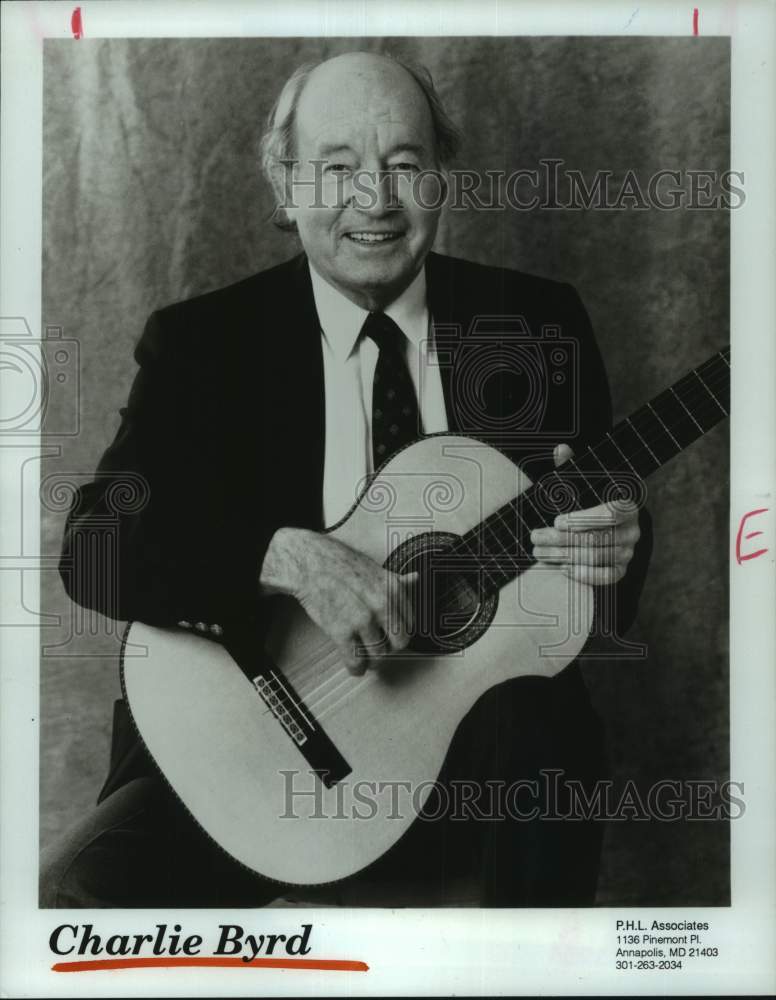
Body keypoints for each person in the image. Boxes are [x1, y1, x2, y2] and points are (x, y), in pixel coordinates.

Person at [42, 51, 651, 908]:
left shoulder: (535, 322)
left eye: (405, 164)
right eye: (337, 168)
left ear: (441, 180)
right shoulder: (204, 344)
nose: (375, 197)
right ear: (285, 186)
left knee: (543, 750)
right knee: (74, 906)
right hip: (244, 748)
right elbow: (94, 550)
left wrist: (616, 544)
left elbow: (595, 547)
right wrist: (280, 557)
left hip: (484, 758)